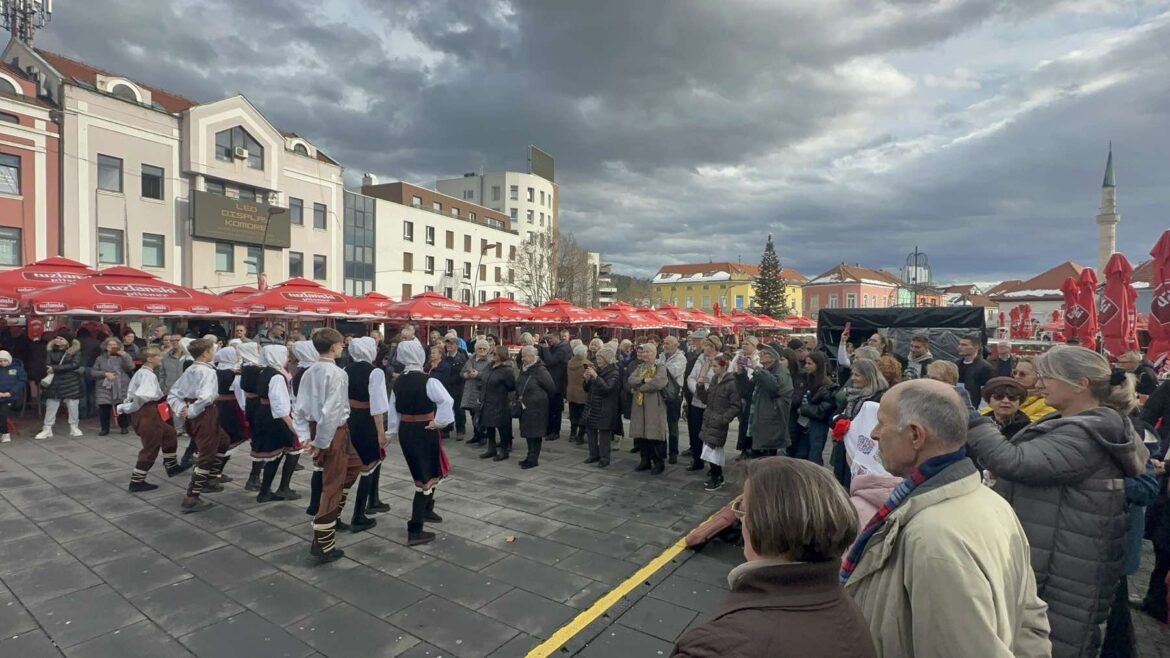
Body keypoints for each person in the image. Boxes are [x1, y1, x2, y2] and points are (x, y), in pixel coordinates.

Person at [844, 379, 1052, 658]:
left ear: (916, 435)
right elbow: (1030, 621)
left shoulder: (933, 537)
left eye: (882, 423)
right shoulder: (992, 502)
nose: (874, 433)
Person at [965, 345, 1148, 656]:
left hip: (1066, 567)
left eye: (1049, 376)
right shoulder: (1079, 423)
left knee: (1057, 642)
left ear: (1081, 384)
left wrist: (970, 417)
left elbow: (1013, 460)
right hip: (1060, 553)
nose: (1040, 383)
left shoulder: (1085, 432)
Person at [673, 457, 875, 658]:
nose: (741, 522)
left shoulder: (716, 646)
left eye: (743, 511)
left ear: (764, 523)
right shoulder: (851, 614)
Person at [293, 329, 362, 561]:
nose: (342, 347)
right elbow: (331, 411)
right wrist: (321, 442)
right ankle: (323, 542)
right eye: (340, 344)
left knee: (354, 466)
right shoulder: (337, 373)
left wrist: (305, 436)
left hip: (323, 429)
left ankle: (332, 518)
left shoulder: (309, 371)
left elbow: (299, 408)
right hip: (333, 431)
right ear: (333, 348)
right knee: (332, 483)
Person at [386, 338, 455, 545]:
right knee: (424, 476)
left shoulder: (399, 381)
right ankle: (415, 528)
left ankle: (427, 509)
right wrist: (440, 422)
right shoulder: (428, 381)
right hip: (425, 430)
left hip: (408, 430)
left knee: (429, 471)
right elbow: (447, 401)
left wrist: (392, 431)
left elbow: (393, 410)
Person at [168, 339, 231, 513]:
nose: (214, 352)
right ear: (205, 353)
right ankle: (192, 496)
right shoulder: (206, 372)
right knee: (207, 453)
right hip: (205, 414)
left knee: (224, 441)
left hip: (200, 412)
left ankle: (210, 478)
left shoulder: (192, 369)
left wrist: (183, 408)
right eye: (212, 350)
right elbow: (206, 397)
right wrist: (191, 410)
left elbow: (174, 393)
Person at [119, 347, 188, 491]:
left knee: (169, 434)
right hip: (147, 412)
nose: (160, 358)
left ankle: (172, 466)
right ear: (149, 359)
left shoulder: (146, 373)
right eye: (157, 356)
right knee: (151, 446)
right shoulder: (147, 374)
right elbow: (142, 396)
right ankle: (137, 481)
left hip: (149, 410)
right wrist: (129, 408)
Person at [344, 337, 391, 532]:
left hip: (351, 418)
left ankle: (373, 500)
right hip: (367, 420)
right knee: (369, 464)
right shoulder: (375, 372)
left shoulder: (346, 370)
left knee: (359, 461)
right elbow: (377, 405)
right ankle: (359, 514)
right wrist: (381, 432)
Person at [252, 345, 299, 503]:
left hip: (264, 412)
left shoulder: (264, 371)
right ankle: (265, 492)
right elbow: (280, 405)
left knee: (274, 455)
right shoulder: (277, 376)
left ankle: (265, 490)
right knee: (275, 455)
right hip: (273, 417)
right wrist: (292, 425)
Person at [831, 359, 888, 489]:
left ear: (868, 376)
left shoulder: (880, 397)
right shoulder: (852, 395)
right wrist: (841, 420)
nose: (853, 378)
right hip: (846, 449)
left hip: (866, 451)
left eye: (857, 375)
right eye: (853, 374)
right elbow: (833, 417)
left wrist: (847, 422)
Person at [738, 345, 794, 460]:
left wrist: (757, 369)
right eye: (761, 353)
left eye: (765, 353)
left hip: (771, 424)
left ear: (774, 357)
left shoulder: (781, 371)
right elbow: (746, 390)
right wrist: (741, 374)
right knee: (757, 458)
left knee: (768, 460)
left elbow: (775, 386)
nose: (761, 355)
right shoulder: (764, 371)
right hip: (758, 422)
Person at [695, 354, 741, 491]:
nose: (713, 369)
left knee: (713, 449)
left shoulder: (732, 383)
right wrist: (700, 386)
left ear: (724, 366)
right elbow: (706, 399)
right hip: (709, 418)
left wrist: (724, 418)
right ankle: (715, 474)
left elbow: (736, 405)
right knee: (709, 449)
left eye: (715, 366)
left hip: (719, 420)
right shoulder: (715, 379)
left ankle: (717, 476)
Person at [630, 343, 669, 474]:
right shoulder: (640, 367)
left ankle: (658, 462)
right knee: (641, 434)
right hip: (640, 406)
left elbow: (658, 383)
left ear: (654, 353)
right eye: (643, 352)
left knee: (655, 434)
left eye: (648, 352)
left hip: (654, 405)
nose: (645, 354)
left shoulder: (660, 367)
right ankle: (644, 460)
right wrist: (643, 380)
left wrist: (639, 387)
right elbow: (631, 379)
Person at [36, 334, 84, 439]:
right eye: (57, 338)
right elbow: (47, 364)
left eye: (61, 338)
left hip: (70, 381)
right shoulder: (50, 350)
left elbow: (75, 364)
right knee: (51, 403)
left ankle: (74, 426)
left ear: (68, 341)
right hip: (55, 380)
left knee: (73, 404)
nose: (58, 340)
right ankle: (47, 428)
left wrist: (56, 368)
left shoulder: (75, 351)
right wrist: (58, 368)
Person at [516, 345, 556, 469]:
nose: (522, 359)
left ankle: (533, 459)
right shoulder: (526, 368)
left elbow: (551, 389)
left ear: (533, 357)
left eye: (525, 356)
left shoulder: (540, 370)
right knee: (528, 433)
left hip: (537, 408)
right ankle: (529, 456)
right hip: (526, 407)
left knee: (535, 434)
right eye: (522, 356)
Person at [583, 345, 622, 468]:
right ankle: (593, 454)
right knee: (590, 430)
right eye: (598, 358)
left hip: (605, 408)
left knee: (604, 433)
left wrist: (596, 377)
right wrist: (586, 380)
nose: (598, 361)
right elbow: (587, 389)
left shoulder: (614, 373)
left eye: (600, 359)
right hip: (593, 406)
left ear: (607, 359)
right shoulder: (598, 370)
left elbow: (608, 389)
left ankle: (605, 458)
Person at [795, 351, 836, 465]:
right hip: (804, 422)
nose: (806, 366)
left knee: (815, 454)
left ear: (818, 365)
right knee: (802, 453)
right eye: (806, 363)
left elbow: (823, 409)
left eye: (810, 364)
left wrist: (804, 409)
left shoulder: (826, 384)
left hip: (817, 424)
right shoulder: (806, 379)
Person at [686, 334, 720, 469]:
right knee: (695, 432)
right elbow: (691, 377)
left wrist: (704, 389)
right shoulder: (700, 359)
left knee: (710, 435)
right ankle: (697, 459)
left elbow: (719, 379)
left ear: (715, 347)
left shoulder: (721, 360)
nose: (705, 348)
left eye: (708, 345)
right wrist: (697, 391)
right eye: (705, 345)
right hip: (696, 401)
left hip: (711, 403)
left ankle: (713, 465)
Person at [477, 345, 516, 461]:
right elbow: (484, 380)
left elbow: (512, 386)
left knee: (501, 427)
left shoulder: (507, 370)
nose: (492, 355)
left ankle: (504, 450)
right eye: (492, 353)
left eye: (495, 354)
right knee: (489, 426)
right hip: (486, 401)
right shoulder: (489, 366)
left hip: (499, 402)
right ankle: (491, 448)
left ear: (501, 356)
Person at [91, 337, 135, 436]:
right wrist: (105, 374)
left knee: (121, 406)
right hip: (104, 386)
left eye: (114, 345)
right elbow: (93, 372)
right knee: (103, 407)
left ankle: (124, 426)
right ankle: (104, 428)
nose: (112, 347)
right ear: (105, 347)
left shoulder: (123, 356)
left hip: (121, 385)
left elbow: (131, 367)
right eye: (109, 345)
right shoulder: (100, 358)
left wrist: (125, 356)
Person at [539, 331, 570, 441]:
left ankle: (555, 432)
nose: (549, 341)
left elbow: (550, 361)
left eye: (550, 339)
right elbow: (542, 361)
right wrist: (542, 347)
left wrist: (546, 348)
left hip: (557, 383)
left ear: (557, 337)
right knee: (548, 409)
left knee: (555, 409)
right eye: (547, 339)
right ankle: (548, 430)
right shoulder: (552, 347)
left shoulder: (563, 348)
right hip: (549, 381)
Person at [460, 340, 492, 447]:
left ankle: (483, 436)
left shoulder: (489, 362)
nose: (482, 350)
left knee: (480, 415)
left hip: (480, 391)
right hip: (470, 390)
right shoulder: (470, 359)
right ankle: (476, 435)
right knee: (472, 413)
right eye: (480, 348)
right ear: (476, 349)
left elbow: (490, 376)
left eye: (484, 349)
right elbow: (461, 372)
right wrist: (466, 375)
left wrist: (478, 374)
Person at [1012, 356, 1057, 421]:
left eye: (1022, 374)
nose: (1016, 376)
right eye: (1014, 373)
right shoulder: (1005, 396)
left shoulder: (1048, 403)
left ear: (1039, 376)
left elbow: (1024, 427)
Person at [441, 336, 468, 438]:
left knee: (458, 410)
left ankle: (460, 430)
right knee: (446, 408)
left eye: (451, 344)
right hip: (445, 387)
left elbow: (462, 373)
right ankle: (446, 429)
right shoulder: (444, 357)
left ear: (456, 345)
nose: (449, 345)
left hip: (457, 387)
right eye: (447, 343)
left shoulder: (461, 357)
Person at [956, 334, 994, 404]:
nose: (959, 347)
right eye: (960, 344)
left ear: (976, 348)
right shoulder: (956, 365)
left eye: (964, 345)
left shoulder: (985, 368)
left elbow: (988, 392)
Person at [0, 350, 26, 442]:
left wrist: (11, 392)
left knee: (2, 413)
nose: (2, 363)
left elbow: (22, 381)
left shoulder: (17, 369)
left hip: (12, 396)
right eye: (0, 361)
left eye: (4, 360)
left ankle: (5, 433)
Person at [566, 343, 590, 445]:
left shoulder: (570, 363)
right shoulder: (586, 365)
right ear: (584, 353)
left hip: (571, 391)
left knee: (573, 414)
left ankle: (572, 434)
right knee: (582, 415)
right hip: (582, 393)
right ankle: (580, 436)